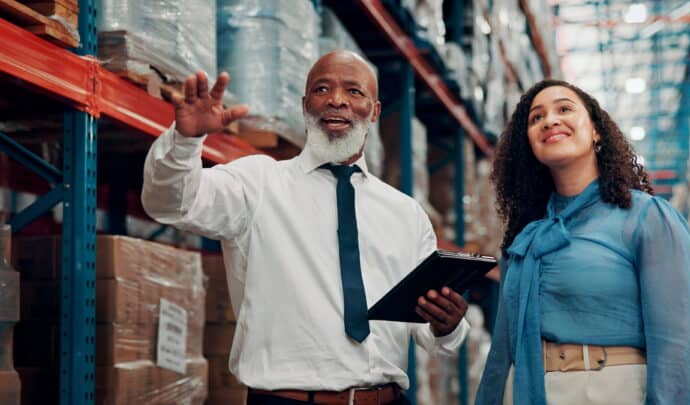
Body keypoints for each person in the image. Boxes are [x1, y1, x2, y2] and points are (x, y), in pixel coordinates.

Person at [141, 50, 470, 405]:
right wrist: (185, 143)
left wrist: (447, 324)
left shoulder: (406, 215)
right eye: (322, 89)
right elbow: (170, 204)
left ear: (374, 112)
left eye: (354, 92)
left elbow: (431, 335)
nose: (337, 100)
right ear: (304, 105)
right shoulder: (257, 184)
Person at [474, 79, 690, 405]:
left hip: (612, 390)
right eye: (536, 118)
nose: (550, 120)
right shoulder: (525, 237)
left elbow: (675, 344)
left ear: (596, 131)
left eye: (564, 109)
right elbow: (503, 346)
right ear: (530, 145)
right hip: (529, 391)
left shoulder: (646, 218)